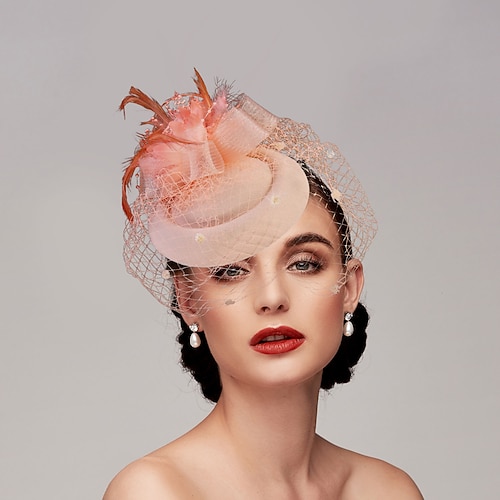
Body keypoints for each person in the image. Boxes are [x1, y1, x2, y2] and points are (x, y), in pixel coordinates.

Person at [104, 70, 423, 499]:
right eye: (231, 271)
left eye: (304, 264)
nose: (272, 298)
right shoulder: (156, 491)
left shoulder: (387, 491)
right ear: (189, 300)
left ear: (349, 288)